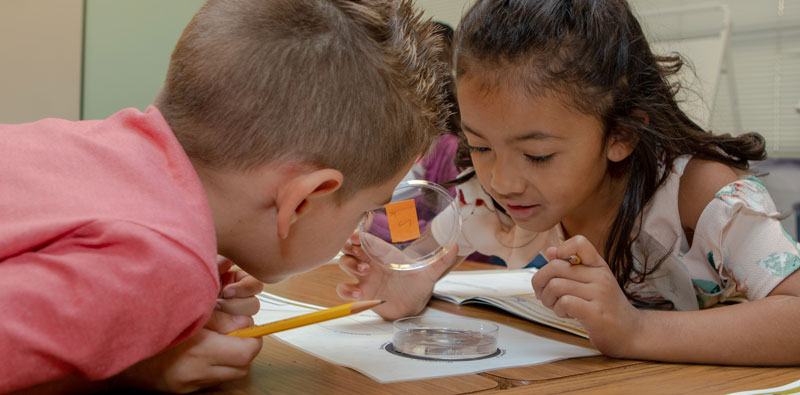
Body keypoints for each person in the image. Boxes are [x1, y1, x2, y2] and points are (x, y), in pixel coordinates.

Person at [0, 0, 451, 393]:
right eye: (366, 209)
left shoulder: (80, 142)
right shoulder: (164, 264)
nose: (361, 225)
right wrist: (128, 366)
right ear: (303, 201)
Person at [337, 0, 800, 365]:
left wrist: (635, 332)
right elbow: (424, 259)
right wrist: (406, 281)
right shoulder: (485, 199)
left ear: (620, 134)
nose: (501, 180)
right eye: (480, 146)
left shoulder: (697, 196)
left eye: (538, 155)